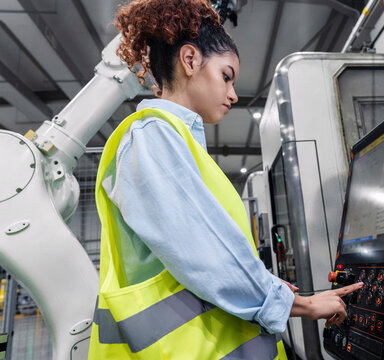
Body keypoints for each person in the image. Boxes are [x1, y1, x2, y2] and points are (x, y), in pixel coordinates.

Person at [87, 0, 362, 359]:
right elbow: (208, 254)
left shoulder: (177, 144)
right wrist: (304, 305)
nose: (233, 94)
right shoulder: (152, 136)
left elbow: (196, 256)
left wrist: (264, 283)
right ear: (189, 60)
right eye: (226, 76)